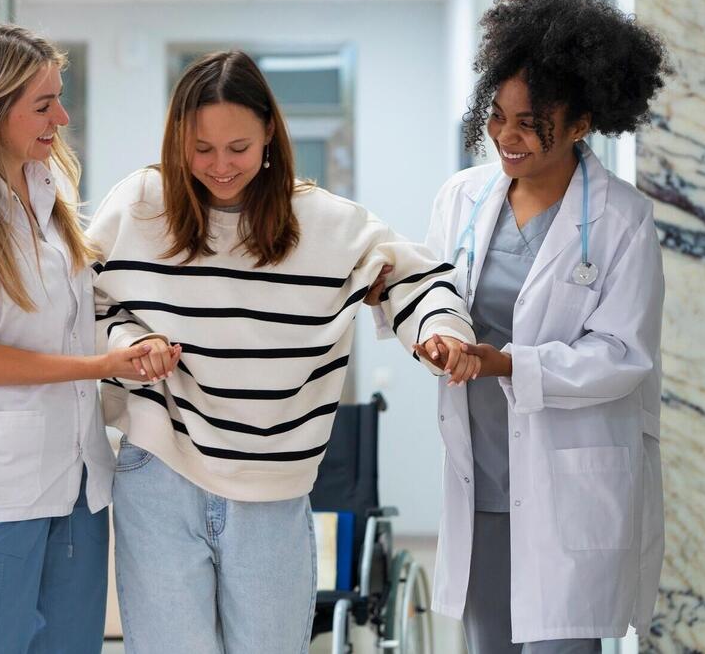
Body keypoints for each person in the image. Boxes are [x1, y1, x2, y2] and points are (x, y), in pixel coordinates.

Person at [88, 50, 478, 653]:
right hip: (159, 471)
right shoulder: (139, 207)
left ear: (270, 132)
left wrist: (438, 332)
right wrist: (129, 342)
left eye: (237, 147)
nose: (219, 166)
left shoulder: (323, 221)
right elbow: (86, 301)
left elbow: (417, 278)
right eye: (201, 149)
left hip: (273, 485)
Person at [420, 0, 669, 653]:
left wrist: (506, 362)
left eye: (531, 121)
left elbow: (623, 354)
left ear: (582, 121)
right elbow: (428, 294)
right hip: (482, 481)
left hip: (567, 486)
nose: (507, 135)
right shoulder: (463, 199)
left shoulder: (622, 219)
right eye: (498, 115)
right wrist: (431, 335)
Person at [0, 23, 166, 654]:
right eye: (44, 104)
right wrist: (101, 366)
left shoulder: (50, 193)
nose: (63, 115)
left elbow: (77, 312)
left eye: (59, 97)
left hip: (78, 482)